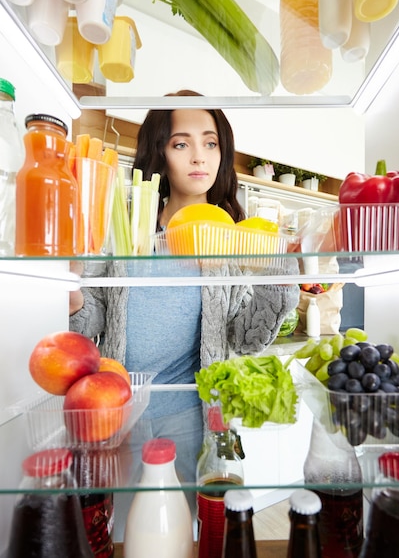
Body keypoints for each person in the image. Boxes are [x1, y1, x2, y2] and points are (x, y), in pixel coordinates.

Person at [69, 89, 300, 533]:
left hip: (196, 413)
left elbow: (246, 337)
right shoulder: (126, 233)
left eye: (210, 142)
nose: (199, 156)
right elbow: (89, 320)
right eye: (181, 143)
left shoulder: (232, 240)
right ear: (161, 152)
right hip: (119, 409)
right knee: (117, 530)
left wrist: (279, 276)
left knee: (196, 529)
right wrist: (71, 289)